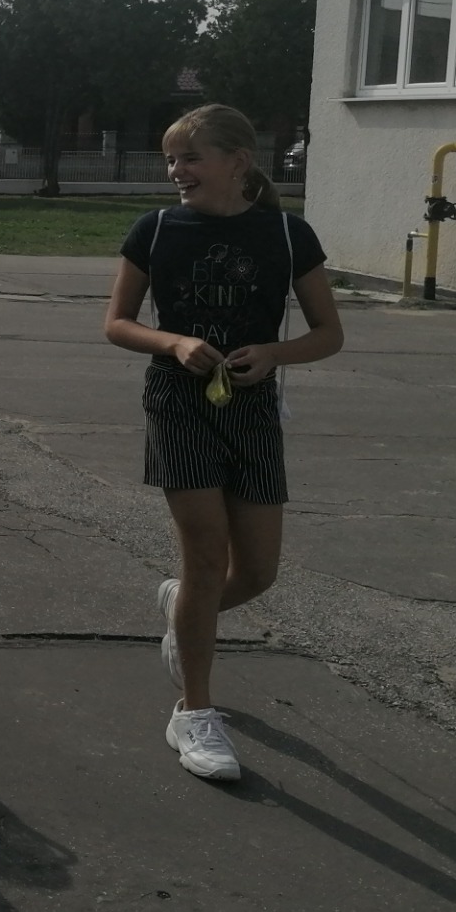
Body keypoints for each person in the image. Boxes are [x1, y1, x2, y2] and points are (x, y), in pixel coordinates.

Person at [104, 103, 344, 783]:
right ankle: (194, 713)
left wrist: (274, 353)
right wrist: (173, 341)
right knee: (207, 561)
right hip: (179, 405)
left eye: (190, 158)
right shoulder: (155, 229)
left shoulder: (289, 235)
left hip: (253, 409)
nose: (176, 171)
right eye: (171, 159)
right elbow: (117, 323)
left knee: (258, 572)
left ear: (238, 162)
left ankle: (182, 606)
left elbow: (329, 333)